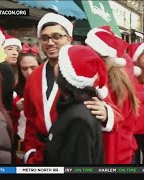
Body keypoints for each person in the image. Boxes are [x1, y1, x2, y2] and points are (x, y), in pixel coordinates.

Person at [23, 13, 122, 164]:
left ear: (69, 38)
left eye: (57, 36)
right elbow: (30, 119)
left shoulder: (83, 70)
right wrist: (30, 153)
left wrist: (106, 112)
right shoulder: (34, 76)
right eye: (44, 38)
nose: (50, 42)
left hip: (73, 152)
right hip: (41, 156)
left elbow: (117, 116)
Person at [85, 26, 140, 164]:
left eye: (99, 58)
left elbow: (119, 126)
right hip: (115, 153)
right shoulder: (97, 78)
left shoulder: (117, 85)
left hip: (117, 155)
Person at [44, 45, 105, 164]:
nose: (56, 64)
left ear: (66, 75)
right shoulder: (72, 107)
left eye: (60, 62)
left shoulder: (79, 120)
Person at [10, 43, 41, 164]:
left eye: (33, 67)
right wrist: (15, 108)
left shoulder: (49, 87)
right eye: (24, 68)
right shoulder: (15, 90)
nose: (29, 72)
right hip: (20, 141)